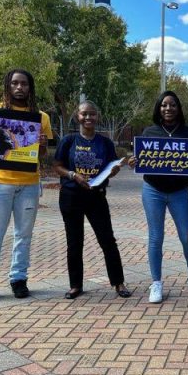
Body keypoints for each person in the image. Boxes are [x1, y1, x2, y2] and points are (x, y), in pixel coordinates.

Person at [0, 69, 53, 305]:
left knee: (23, 235)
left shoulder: (41, 117)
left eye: (24, 84)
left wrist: (43, 145)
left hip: (28, 184)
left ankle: (18, 278)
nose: (19, 87)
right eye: (14, 83)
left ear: (30, 87)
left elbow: (42, 155)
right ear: (8, 85)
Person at [128, 91, 188, 303]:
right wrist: (134, 162)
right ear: (158, 108)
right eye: (164, 105)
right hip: (153, 190)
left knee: (187, 236)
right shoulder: (149, 132)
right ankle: (156, 283)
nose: (168, 109)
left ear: (179, 108)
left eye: (172, 105)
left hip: (179, 191)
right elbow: (140, 158)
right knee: (155, 237)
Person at [52, 101, 130, 299]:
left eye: (92, 114)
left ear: (97, 117)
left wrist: (113, 172)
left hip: (96, 196)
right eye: (84, 114)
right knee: (74, 242)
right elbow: (58, 166)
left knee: (107, 240)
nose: (88, 118)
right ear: (77, 116)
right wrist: (73, 175)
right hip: (71, 196)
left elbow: (110, 170)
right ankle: (75, 285)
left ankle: (118, 283)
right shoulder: (69, 140)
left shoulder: (105, 143)